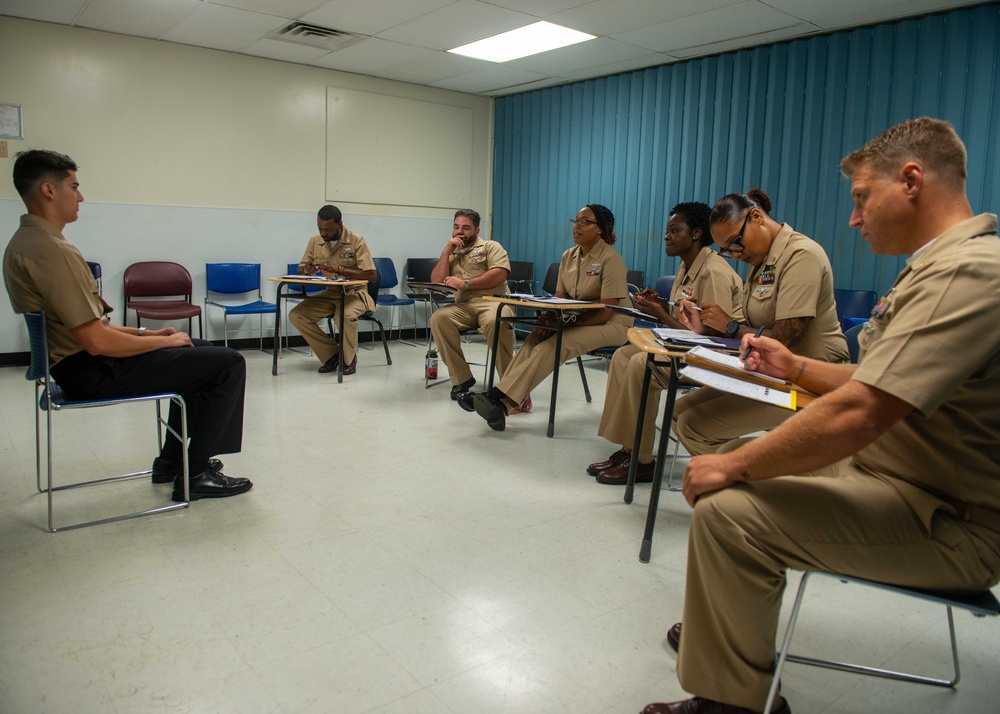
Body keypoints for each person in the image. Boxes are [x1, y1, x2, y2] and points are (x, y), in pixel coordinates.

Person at [642, 117, 1000, 714]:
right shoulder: (937, 266)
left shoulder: (968, 271)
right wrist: (795, 367)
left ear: (911, 180)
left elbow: (861, 411)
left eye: (861, 198)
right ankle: (729, 635)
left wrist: (735, 467)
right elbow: (876, 379)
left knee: (729, 509)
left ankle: (734, 700)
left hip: (946, 517)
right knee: (731, 474)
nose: (854, 218)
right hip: (892, 477)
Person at [3, 150, 251, 502]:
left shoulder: (31, 243)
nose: (81, 196)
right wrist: (161, 344)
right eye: (74, 187)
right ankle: (194, 474)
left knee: (200, 351)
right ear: (48, 190)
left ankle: (171, 462)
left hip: (76, 364)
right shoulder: (50, 250)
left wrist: (149, 334)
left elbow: (90, 325)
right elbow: (96, 342)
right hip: (91, 371)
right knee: (228, 363)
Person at [670, 188, 848, 458]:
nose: (736, 254)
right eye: (727, 250)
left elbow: (784, 340)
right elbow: (752, 328)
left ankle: (743, 489)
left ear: (756, 217)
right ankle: (729, 484)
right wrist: (708, 325)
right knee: (679, 411)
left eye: (735, 243)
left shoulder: (801, 255)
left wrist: (730, 326)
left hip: (811, 381)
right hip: (771, 374)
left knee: (696, 426)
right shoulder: (760, 261)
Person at [589, 202, 743, 485]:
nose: (667, 236)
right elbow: (684, 323)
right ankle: (628, 449)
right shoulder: (687, 268)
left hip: (712, 354)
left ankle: (642, 459)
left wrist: (659, 314)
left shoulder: (712, 272)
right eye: (667, 231)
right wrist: (658, 308)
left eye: (675, 230)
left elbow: (710, 336)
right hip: (687, 348)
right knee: (624, 355)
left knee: (640, 363)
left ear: (696, 234)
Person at [461, 203, 632, 431]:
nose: (576, 227)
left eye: (585, 222)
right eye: (575, 221)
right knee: (534, 339)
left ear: (600, 229)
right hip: (579, 319)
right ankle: (502, 402)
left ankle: (498, 398)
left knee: (554, 344)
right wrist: (550, 319)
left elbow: (608, 309)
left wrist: (565, 323)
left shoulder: (611, 259)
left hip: (613, 323)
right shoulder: (569, 256)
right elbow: (559, 298)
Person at [428, 209, 514, 401]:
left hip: (494, 302)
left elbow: (500, 273)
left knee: (495, 321)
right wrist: (446, 251)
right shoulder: (452, 252)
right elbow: (437, 281)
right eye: (456, 227)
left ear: (476, 230)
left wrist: (466, 283)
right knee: (438, 319)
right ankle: (462, 379)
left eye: (466, 228)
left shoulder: (491, 246)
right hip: (464, 306)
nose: (460, 232)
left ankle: (511, 385)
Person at [289, 205, 377, 375]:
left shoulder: (356, 240)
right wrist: (305, 269)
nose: (324, 233)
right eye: (320, 228)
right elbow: (300, 269)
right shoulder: (315, 241)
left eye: (328, 229)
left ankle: (349, 360)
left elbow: (371, 275)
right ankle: (331, 354)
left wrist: (341, 270)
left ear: (340, 224)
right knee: (297, 315)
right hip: (331, 293)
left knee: (344, 315)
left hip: (355, 293)